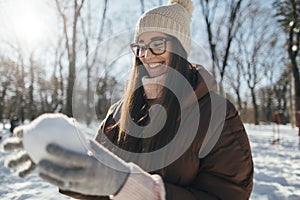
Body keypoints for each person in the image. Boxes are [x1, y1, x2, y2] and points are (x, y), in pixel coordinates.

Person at [2, 0, 253, 199]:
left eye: (157, 44)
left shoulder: (216, 114)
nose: (146, 55)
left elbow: (227, 194)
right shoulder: (119, 112)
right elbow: (97, 183)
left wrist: (135, 188)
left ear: (179, 49)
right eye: (140, 46)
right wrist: (64, 157)